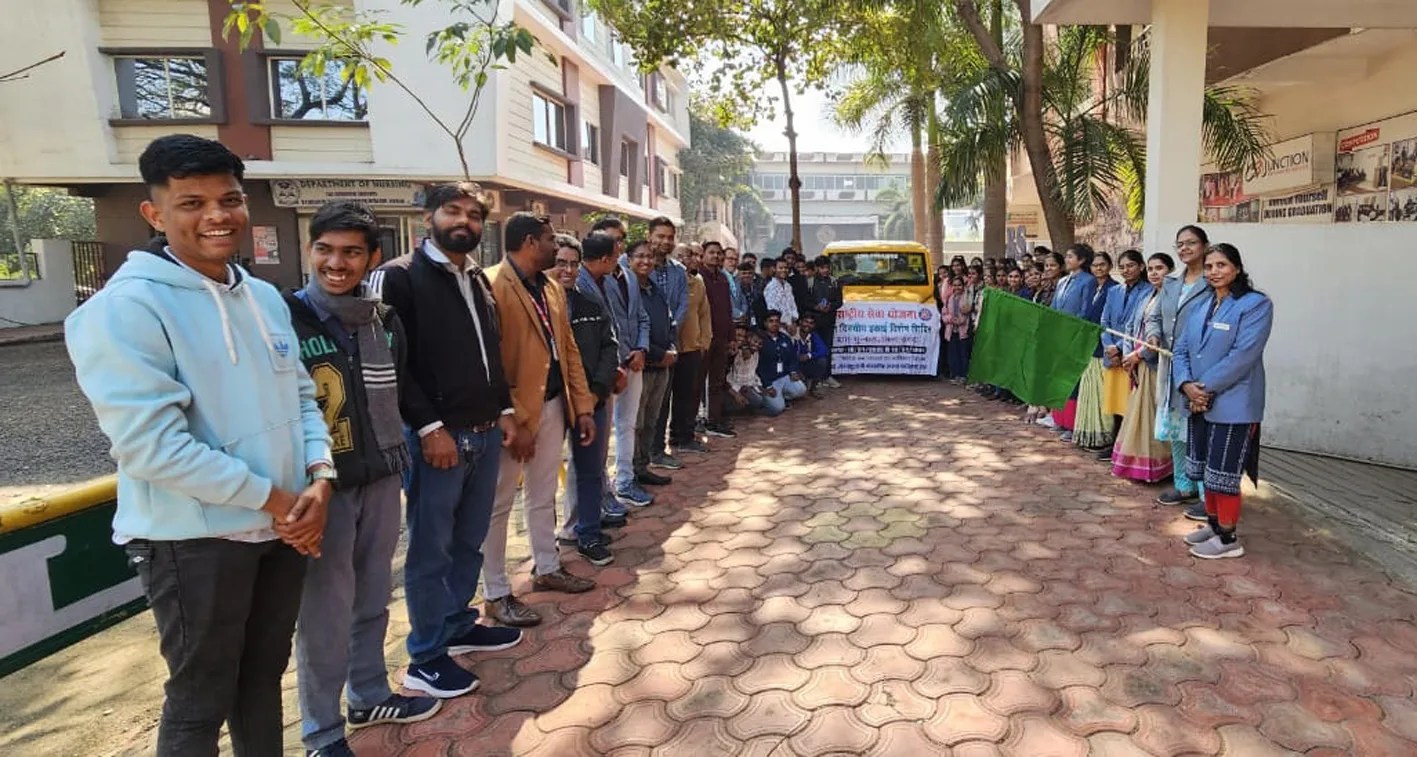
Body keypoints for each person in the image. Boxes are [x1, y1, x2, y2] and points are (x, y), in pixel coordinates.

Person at [65, 134, 335, 755]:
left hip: (282, 530)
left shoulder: (261, 296)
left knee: (261, 682)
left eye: (229, 199)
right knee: (199, 701)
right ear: (154, 214)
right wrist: (281, 502)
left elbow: (302, 397)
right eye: (192, 203)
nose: (217, 215)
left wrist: (320, 477)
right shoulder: (124, 308)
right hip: (193, 541)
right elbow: (152, 447)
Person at [283, 201, 438, 756]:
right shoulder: (286, 317)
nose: (336, 263)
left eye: (351, 252)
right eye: (325, 250)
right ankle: (321, 732)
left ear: (372, 258)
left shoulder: (383, 320)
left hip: (381, 475)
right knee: (324, 614)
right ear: (310, 250)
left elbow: (398, 389)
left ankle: (369, 694)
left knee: (373, 596)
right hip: (324, 488)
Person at [372, 182, 521, 698]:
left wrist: (504, 410)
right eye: (452, 211)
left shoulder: (475, 277)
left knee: (468, 539)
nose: (464, 221)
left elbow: (490, 352)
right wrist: (428, 427)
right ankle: (426, 656)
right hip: (437, 439)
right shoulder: (398, 277)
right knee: (430, 550)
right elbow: (391, 364)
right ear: (428, 217)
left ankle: (457, 625)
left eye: (473, 215)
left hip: (484, 431)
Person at [483, 213, 598, 627]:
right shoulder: (491, 285)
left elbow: (567, 350)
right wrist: (510, 417)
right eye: (551, 240)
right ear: (531, 242)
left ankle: (547, 566)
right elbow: (489, 361)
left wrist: (582, 407)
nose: (556, 246)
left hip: (553, 404)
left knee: (543, 492)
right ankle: (496, 592)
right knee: (498, 504)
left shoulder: (549, 287)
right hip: (512, 415)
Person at [1173, 244, 1273, 559]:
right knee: (1206, 470)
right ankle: (1214, 525)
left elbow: (1242, 356)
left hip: (1234, 403)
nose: (1214, 271)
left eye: (1222, 265)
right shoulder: (1201, 306)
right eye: (1209, 266)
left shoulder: (1255, 304)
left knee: (1224, 473)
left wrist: (1202, 389)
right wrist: (1185, 385)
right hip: (1198, 401)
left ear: (1237, 268)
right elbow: (1181, 350)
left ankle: (1228, 539)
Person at [553, 234, 621, 566]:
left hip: (590, 401)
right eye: (560, 263)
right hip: (550, 403)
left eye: (573, 264)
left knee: (590, 469)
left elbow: (609, 347)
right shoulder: (535, 306)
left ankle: (589, 533)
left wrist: (596, 390)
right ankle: (546, 552)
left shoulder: (590, 305)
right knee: (542, 482)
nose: (567, 270)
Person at [1149, 225, 1214, 511]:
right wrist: (1154, 335)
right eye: (1180, 244)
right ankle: (1184, 484)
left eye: (1191, 243)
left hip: (1200, 366)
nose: (1185, 248)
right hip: (1171, 365)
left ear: (1204, 245)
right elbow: (1154, 317)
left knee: (1199, 429)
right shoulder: (1171, 283)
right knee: (1176, 428)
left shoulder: (1212, 282)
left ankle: (1207, 495)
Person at [592, 225, 655, 509]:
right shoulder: (591, 278)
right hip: (608, 366)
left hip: (635, 362)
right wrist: (619, 358)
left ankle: (626, 482)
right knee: (602, 433)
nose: (616, 245)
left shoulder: (628, 276)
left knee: (628, 424)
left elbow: (641, 317)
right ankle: (602, 493)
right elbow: (604, 325)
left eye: (620, 240)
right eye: (610, 240)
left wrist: (641, 349)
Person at [1111, 253, 1176, 483]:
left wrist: (1139, 355)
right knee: (1138, 415)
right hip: (1137, 362)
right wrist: (1129, 354)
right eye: (1151, 269)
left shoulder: (1173, 298)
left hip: (1156, 364)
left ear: (1171, 270)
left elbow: (1165, 335)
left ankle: (1160, 467)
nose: (1154, 273)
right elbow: (1131, 325)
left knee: (1153, 416)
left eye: (1160, 268)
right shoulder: (1146, 295)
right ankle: (1136, 465)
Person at [629, 240, 679, 487]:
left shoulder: (655, 289)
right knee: (635, 424)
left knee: (651, 420)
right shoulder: (627, 289)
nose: (646, 261)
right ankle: (628, 473)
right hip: (641, 367)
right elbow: (632, 329)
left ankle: (643, 467)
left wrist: (671, 347)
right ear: (629, 260)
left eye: (649, 257)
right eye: (640, 256)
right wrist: (658, 354)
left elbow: (669, 321)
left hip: (662, 366)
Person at [1096, 249, 1150, 460]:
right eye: (1123, 267)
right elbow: (1104, 321)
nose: (1126, 270)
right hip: (1112, 356)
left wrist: (1120, 347)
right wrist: (1109, 346)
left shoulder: (1148, 291)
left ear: (1141, 267)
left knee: (1131, 403)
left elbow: (1136, 325)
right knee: (1115, 402)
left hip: (1131, 354)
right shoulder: (1114, 291)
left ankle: (1128, 447)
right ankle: (1115, 444)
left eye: (1131, 265)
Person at [645, 217, 687, 475]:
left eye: (670, 237)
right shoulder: (635, 265)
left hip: (669, 344)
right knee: (640, 408)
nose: (665, 241)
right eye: (660, 236)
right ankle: (638, 459)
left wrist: (669, 332)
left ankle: (657, 451)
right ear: (649, 236)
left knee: (662, 402)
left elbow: (682, 305)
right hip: (642, 345)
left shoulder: (678, 271)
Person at [1073, 251, 1120, 450]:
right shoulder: (1090, 287)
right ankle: (1087, 434)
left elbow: (1110, 320)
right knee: (1088, 394)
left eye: (1102, 264)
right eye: (1095, 265)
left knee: (1102, 394)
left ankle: (1104, 437)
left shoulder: (1115, 289)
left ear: (1109, 266)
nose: (1098, 268)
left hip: (1105, 347)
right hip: (1088, 346)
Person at [670, 243, 713, 456]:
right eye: (678, 256)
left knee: (688, 394)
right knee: (665, 399)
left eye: (687, 256)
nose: (683, 260)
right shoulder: (665, 281)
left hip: (692, 347)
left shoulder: (698, 283)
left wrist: (704, 341)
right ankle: (669, 437)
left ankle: (685, 436)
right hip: (669, 347)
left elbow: (704, 314)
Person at [700, 241, 738, 438]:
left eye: (718, 253)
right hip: (704, 338)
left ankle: (714, 421)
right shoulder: (698, 277)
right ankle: (700, 420)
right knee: (699, 382)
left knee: (717, 381)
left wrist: (732, 337)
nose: (715, 256)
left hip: (722, 338)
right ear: (703, 255)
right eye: (711, 252)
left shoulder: (723, 278)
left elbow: (728, 309)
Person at [756, 310, 808, 414]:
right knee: (777, 409)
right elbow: (758, 367)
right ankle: (766, 399)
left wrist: (793, 371)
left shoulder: (785, 338)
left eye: (777, 321)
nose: (774, 324)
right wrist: (767, 385)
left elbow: (792, 358)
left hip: (784, 376)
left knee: (801, 390)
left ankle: (781, 397)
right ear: (765, 323)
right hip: (769, 381)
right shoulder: (760, 340)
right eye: (771, 321)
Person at [806, 256, 844, 388]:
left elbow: (839, 302)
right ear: (817, 268)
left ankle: (827, 376)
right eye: (822, 268)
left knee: (827, 349)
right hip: (813, 323)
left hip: (829, 321)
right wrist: (816, 307)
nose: (825, 270)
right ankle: (814, 378)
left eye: (827, 267)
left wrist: (830, 307)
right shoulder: (809, 282)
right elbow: (805, 301)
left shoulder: (834, 282)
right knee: (813, 348)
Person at [726, 327, 770, 415]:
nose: (756, 345)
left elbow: (752, 373)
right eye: (755, 341)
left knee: (764, 399)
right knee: (757, 400)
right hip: (733, 387)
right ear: (749, 339)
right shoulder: (739, 352)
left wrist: (760, 388)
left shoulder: (756, 354)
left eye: (760, 344)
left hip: (748, 386)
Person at [940, 276, 972, 384]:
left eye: (959, 285)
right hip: (951, 331)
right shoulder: (949, 298)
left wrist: (960, 320)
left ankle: (964, 375)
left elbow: (968, 314)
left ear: (963, 286)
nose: (957, 287)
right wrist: (950, 319)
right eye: (955, 285)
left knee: (963, 354)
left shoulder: (967, 298)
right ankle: (955, 374)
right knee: (953, 354)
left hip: (963, 330)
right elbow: (944, 314)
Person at [795, 313, 831, 396]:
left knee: (822, 361)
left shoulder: (813, 335)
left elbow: (824, 350)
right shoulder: (793, 333)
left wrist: (809, 355)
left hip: (805, 364)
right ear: (800, 322)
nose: (808, 325)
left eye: (811, 323)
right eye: (806, 322)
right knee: (800, 392)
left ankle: (814, 387)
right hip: (792, 367)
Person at [763, 256, 799, 328]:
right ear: (774, 269)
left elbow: (793, 306)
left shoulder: (788, 286)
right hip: (778, 325)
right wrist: (785, 324)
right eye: (780, 268)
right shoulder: (770, 287)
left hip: (791, 324)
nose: (784, 270)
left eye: (786, 268)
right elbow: (772, 309)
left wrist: (793, 321)